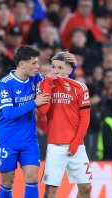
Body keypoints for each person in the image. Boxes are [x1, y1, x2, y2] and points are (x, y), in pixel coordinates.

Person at [0, 45, 50, 198]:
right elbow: (9, 113)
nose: (37, 66)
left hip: (29, 140)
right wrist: (34, 102)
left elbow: (55, 84)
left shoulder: (36, 79)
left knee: (32, 179)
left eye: (37, 62)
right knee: (7, 183)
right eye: (33, 63)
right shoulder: (5, 83)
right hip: (8, 140)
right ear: (21, 64)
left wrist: (70, 70)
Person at [38, 51, 92, 198]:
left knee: (86, 188)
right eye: (53, 67)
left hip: (76, 146)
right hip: (55, 146)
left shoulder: (80, 87)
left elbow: (85, 118)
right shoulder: (44, 84)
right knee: (50, 192)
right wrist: (48, 83)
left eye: (61, 68)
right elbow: (43, 110)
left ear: (70, 70)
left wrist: (76, 142)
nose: (56, 71)